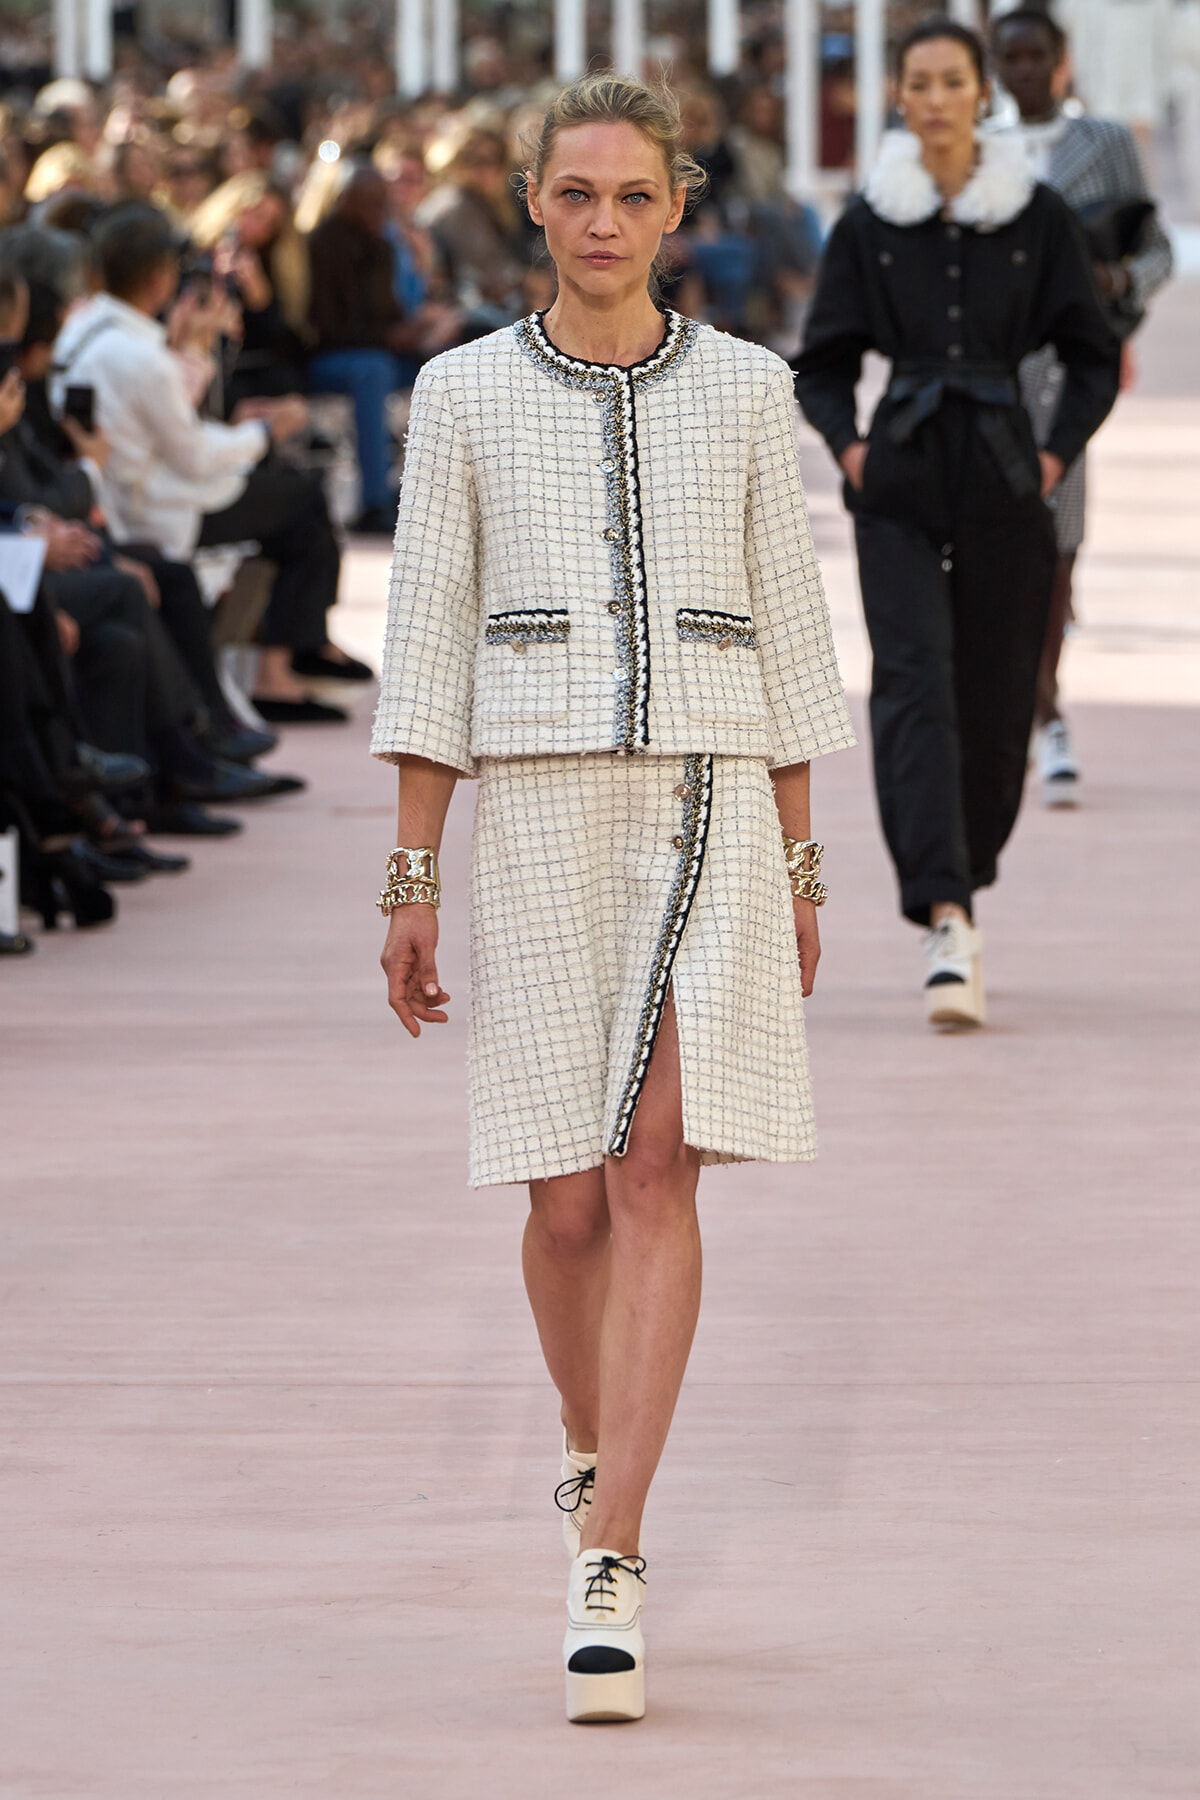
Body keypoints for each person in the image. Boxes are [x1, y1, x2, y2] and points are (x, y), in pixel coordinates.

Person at [372, 74, 854, 1723]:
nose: (601, 222)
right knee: (562, 1199)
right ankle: (589, 1447)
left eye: (631, 197)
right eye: (575, 193)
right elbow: (428, 627)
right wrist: (413, 870)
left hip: (713, 794)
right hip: (538, 801)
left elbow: (793, 632)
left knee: (659, 1167)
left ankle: (616, 1550)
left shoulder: (745, 388)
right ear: (532, 201)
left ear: (673, 209)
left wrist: (800, 859)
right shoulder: (458, 397)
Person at [793, 16, 1119, 1029]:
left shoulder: (1036, 214)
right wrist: (851, 451)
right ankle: (945, 912)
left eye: (952, 81)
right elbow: (825, 359)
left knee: (994, 689)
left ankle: (966, 872)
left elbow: (1092, 352)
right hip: (897, 478)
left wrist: (1055, 455)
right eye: (919, 82)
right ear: (899, 96)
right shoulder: (869, 220)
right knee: (911, 684)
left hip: (1005, 479)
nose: (935, 98)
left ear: (981, 95)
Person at [50, 204, 369, 721]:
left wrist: (199, 361)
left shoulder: (84, 330)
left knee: (285, 498)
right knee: (303, 498)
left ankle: (287, 658)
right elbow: (194, 456)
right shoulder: (138, 355)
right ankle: (279, 672)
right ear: (160, 278)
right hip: (155, 507)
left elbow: (179, 432)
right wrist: (265, 431)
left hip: (133, 491)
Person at [989, 7, 1174, 805]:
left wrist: (1119, 283)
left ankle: (1048, 707)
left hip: (1065, 371)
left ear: (1061, 62)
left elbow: (1153, 244)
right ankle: (1020, 705)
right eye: (1011, 58)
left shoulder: (1102, 144)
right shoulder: (973, 147)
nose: (1024, 70)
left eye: (1037, 57)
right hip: (983, 370)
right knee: (992, 540)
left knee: (1058, 534)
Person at [308, 165, 459, 535]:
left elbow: (393, 310)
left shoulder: (384, 244)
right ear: (346, 200)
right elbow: (326, 328)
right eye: (371, 202)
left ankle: (446, 499)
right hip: (334, 359)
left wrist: (417, 327)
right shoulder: (321, 244)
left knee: (452, 365)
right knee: (372, 370)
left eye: (382, 202)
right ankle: (374, 502)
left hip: (383, 350)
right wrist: (392, 336)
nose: (379, 209)